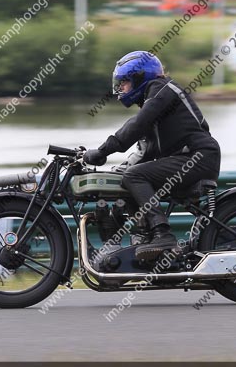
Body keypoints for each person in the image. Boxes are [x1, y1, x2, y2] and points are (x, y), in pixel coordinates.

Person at [83, 50, 221, 262]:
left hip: (198, 157)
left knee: (134, 176)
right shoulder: (154, 100)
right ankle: (144, 237)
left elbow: (136, 125)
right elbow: (145, 150)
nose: (121, 89)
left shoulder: (162, 89)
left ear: (140, 77)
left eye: (125, 83)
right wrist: (117, 169)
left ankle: (162, 234)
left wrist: (102, 151)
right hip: (189, 158)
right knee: (129, 175)